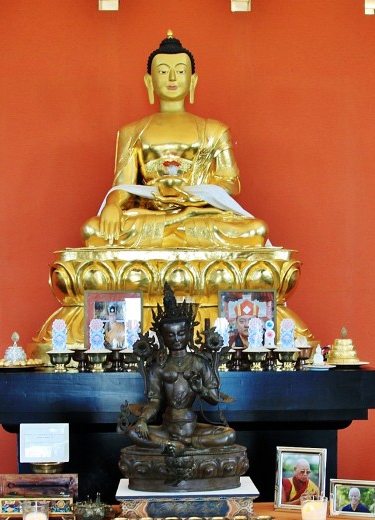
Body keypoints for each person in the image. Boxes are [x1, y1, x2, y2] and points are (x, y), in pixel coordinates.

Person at [82, 32, 268, 249]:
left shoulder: (215, 130)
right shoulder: (131, 132)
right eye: (163, 72)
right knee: (92, 230)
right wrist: (112, 206)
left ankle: (169, 235)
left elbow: (230, 183)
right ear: (149, 81)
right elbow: (124, 185)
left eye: (180, 71)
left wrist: (189, 197)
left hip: (197, 213)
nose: (172, 78)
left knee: (256, 229)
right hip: (150, 214)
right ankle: (175, 234)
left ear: (193, 80)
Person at [121, 283, 236, 455]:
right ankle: (171, 443)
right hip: (167, 426)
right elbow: (155, 401)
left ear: (189, 333)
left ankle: (181, 443)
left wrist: (201, 389)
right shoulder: (158, 366)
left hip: (192, 425)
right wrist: (143, 420)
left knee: (229, 435)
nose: (176, 339)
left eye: (181, 333)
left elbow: (214, 399)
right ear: (162, 336)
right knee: (132, 431)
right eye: (170, 334)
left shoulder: (199, 362)